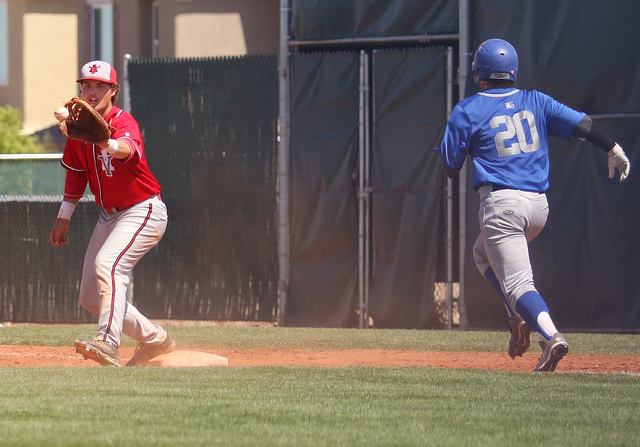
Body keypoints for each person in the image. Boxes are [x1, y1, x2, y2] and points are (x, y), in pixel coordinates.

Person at [436, 39, 630, 371]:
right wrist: (612, 148)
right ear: (512, 70)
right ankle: (516, 314)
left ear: (478, 73)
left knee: (519, 285)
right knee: (481, 253)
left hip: (502, 206)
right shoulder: (535, 100)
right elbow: (581, 124)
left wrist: (470, 147)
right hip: (538, 208)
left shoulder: (467, 109)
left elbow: (450, 168)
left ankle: (551, 337)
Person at [50, 61, 176, 367]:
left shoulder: (124, 122)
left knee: (108, 264)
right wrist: (64, 215)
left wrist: (103, 140)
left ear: (113, 91)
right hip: (108, 215)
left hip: (143, 209)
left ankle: (107, 342)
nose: (92, 91)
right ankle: (154, 339)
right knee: (90, 298)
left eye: (100, 86)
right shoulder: (78, 131)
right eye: (87, 85)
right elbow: (76, 176)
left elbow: (127, 150)